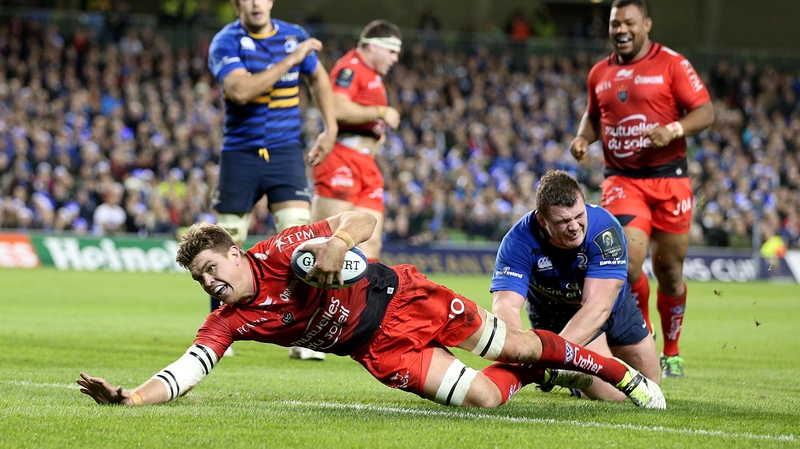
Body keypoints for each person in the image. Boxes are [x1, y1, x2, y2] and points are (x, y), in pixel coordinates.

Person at [76, 211, 666, 410]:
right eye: (201, 278)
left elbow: (361, 219)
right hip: (377, 349)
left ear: (235, 252)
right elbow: (188, 368)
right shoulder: (228, 319)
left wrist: (336, 247)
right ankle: (546, 370)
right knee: (485, 399)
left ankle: (621, 374)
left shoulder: (284, 251)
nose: (211, 282)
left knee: (514, 342)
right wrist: (128, 398)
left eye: (213, 267)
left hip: (405, 297)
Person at [569, 0, 715, 378]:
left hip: (670, 178)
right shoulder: (599, 72)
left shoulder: (672, 64)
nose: (621, 30)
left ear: (646, 24)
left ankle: (672, 350)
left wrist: (673, 130)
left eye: (629, 23)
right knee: (629, 262)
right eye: (615, 23)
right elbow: (594, 115)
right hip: (622, 180)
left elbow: (705, 111)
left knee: (669, 271)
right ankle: (643, 332)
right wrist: (584, 138)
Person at [207, 0, 337, 360]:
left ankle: (304, 333)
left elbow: (319, 78)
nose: (256, 3)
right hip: (241, 154)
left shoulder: (293, 35)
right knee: (227, 241)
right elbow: (240, 91)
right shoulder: (226, 41)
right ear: (237, 4)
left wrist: (331, 127)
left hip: (284, 154)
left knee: (300, 239)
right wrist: (291, 60)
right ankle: (221, 326)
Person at [491, 170, 660, 402]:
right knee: (616, 398)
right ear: (543, 220)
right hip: (556, 314)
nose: (574, 226)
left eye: (579, 215)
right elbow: (506, 305)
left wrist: (551, 359)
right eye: (563, 221)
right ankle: (575, 380)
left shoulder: (604, 229)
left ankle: (565, 371)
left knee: (652, 385)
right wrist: (518, 350)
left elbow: (597, 306)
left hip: (613, 306)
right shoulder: (517, 241)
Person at [311, 20, 402, 265]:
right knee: (328, 239)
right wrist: (381, 112)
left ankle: (361, 302)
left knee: (370, 242)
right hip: (343, 158)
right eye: (392, 52)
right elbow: (337, 106)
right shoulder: (350, 68)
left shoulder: (372, 76)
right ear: (372, 47)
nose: (395, 59)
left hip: (366, 163)